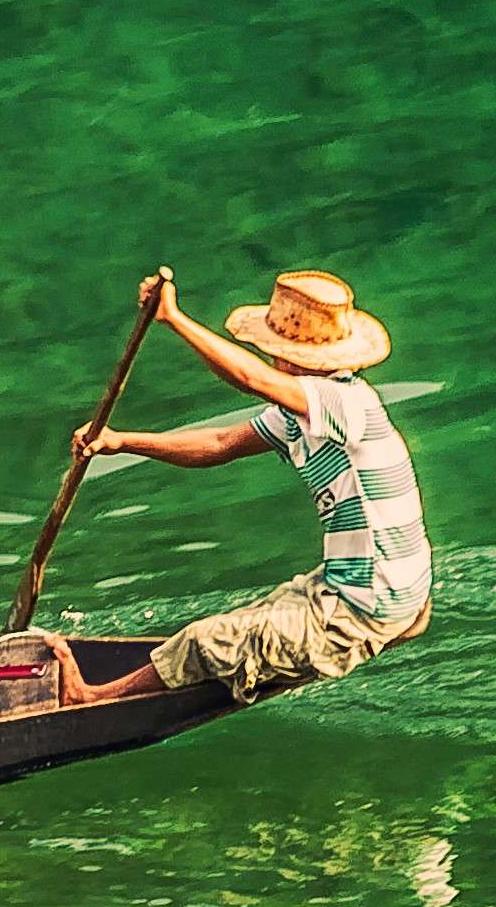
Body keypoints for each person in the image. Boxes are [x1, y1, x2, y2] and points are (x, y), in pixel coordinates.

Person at [32, 269, 432, 707]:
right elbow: (218, 443)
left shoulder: (344, 402)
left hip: (369, 602)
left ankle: (89, 698)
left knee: (204, 641)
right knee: (258, 615)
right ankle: (360, 633)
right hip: (374, 585)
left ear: (289, 358)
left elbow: (253, 379)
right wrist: (121, 441)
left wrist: (174, 318)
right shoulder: (300, 414)